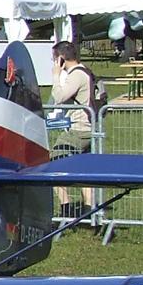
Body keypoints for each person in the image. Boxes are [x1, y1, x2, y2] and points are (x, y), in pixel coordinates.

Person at [48, 41, 96, 219]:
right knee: (85, 170)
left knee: (52, 164)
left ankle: (66, 207)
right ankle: (88, 210)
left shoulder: (76, 75)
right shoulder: (85, 71)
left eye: (54, 59)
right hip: (88, 127)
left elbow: (59, 97)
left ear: (61, 59)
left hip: (79, 130)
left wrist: (56, 75)